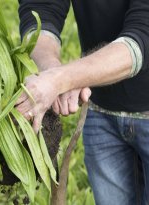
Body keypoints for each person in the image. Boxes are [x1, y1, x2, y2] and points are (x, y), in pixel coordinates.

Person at [16, 0, 149, 204]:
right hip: (100, 109)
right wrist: (52, 69)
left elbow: (143, 35)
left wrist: (61, 78)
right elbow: (41, 7)